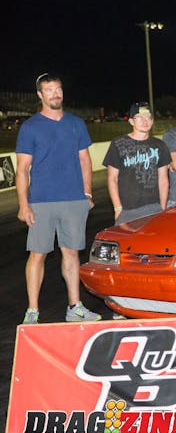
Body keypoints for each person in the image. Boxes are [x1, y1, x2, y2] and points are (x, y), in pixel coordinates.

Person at [15, 73, 101, 324]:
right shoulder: (30, 127)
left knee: (71, 253)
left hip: (73, 200)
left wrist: (87, 193)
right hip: (41, 202)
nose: (55, 94)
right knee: (38, 254)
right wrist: (24, 204)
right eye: (49, 90)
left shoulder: (76, 123)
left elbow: (85, 160)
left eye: (58, 89)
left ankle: (75, 307)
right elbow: (22, 170)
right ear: (40, 95)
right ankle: (32, 311)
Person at [103, 102, 170, 224]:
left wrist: (162, 206)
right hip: (127, 211)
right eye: (139, 117)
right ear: (131, 121)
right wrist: (118, 208)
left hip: (154, 208)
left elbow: (163, 178)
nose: (145, 121)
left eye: (148, 117)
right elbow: (112, 178)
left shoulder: (160, 145)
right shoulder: (118, 144)